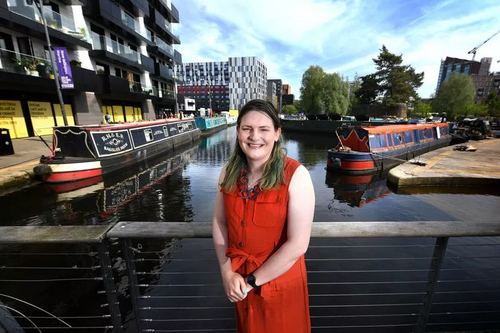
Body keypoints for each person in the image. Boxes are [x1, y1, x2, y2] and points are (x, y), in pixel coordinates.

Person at [212, 99, 315, 332]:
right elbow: (220, 222)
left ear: (277, 133)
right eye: (247, 129)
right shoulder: (228, 172)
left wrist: (250, 282)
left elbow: (298, 244)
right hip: (239, 286)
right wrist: (227, 272)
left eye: (264, 129)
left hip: (280, 288)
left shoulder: (296, 175)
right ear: (238, 131)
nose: (254, 137)